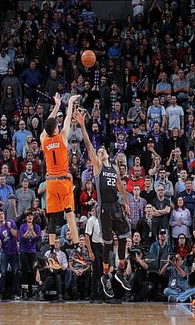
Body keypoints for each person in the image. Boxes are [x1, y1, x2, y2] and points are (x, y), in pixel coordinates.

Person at [74, 109, 131, 299]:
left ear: (107, 154)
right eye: (99, 152)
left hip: (116, 206)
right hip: (104, 208)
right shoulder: (98, 167)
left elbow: (121, 185)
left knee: (123, 237)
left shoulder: (113, 168)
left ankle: (120, 271)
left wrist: (126, 203)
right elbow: (90, 146)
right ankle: (106, 276)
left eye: (103, 151)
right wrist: (82, 125)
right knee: (107, 244)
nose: (100, 152)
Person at [40, 93, 81, 246]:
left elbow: (47, 124)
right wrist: (68, 103)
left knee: (53, 217)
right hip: (63, 181)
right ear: (56, 129)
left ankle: (51, 247)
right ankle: (77, 244)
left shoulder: (44, 139)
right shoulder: (62, 136)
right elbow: (68, 118)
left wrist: (56, 106)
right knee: (69, 212)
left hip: (50, 183)